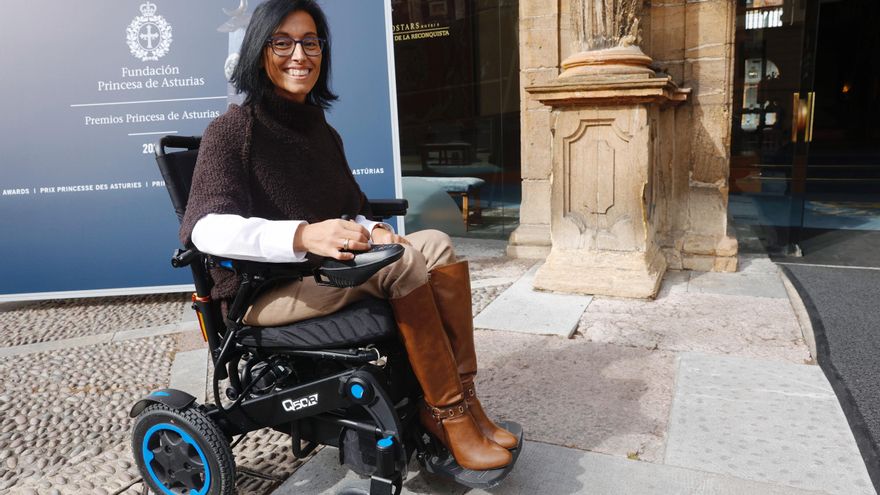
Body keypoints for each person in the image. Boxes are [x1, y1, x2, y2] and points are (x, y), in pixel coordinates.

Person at [179, 0, 515, 471]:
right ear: (259, 52)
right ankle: (448, 415)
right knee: (402, 263)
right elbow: (206, 228)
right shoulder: (233, 131)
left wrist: (373, 228)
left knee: (435, 242)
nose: (299, 54)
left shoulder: (319, 130)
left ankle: (464, 403)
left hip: (324, 276)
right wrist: (302, 236)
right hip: (261, 294)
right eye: (283, 42)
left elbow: (351, 208)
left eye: (310, 42)